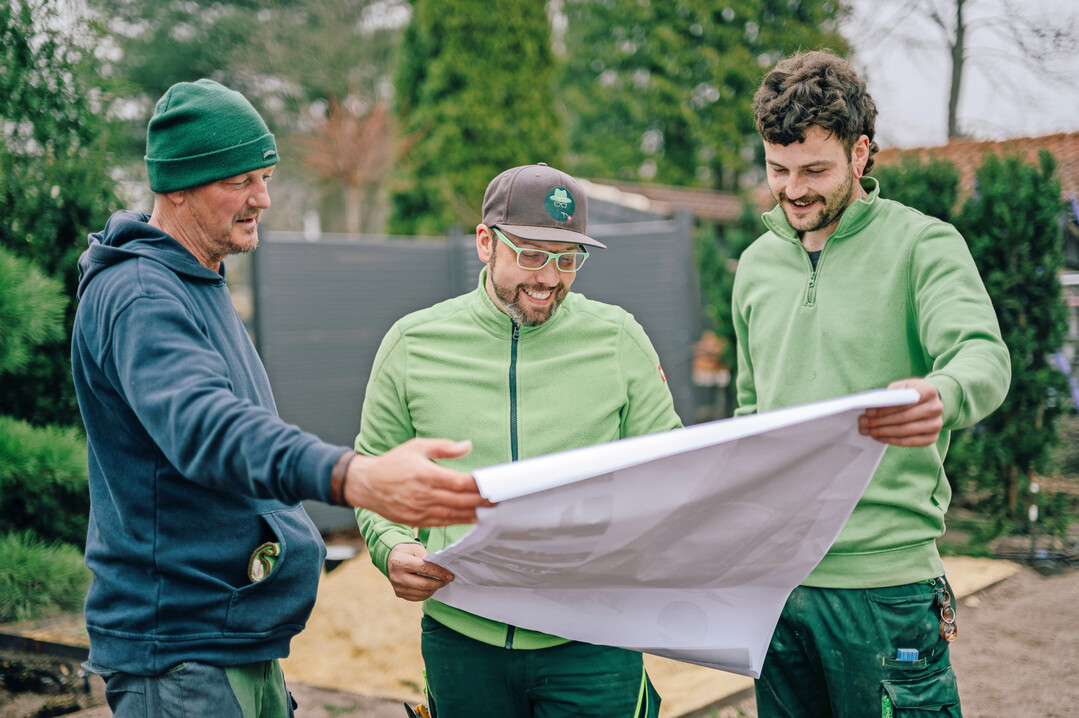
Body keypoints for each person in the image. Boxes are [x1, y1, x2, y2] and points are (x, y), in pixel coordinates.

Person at [70, 79, 488, 717]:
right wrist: (357, 476)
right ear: (179, 185)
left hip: (229, 642)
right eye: (240, 181)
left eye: (263, 177)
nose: (262, 198)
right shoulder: (143, 297)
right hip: (183, 656)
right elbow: (209, 429)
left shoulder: (195, 279)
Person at [732, 50, 1011, 717]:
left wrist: (940, 394)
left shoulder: (922, 246)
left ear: (860, 154)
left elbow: (981, 355)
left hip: (883, 591)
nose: (793, 189)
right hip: (776, 589)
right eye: (777, 169)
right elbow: (751, 408)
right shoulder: (753, 265)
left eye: (814, 170)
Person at [356, 163, 683, 717]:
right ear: (485, 243)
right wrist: (391, 547)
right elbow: (375, 468)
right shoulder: (412, 343)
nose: (549, 278)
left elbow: (672, 470)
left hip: (595, 640)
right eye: (532, 254)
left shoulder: (619, 338)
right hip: (463, 638)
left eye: (567, 258)